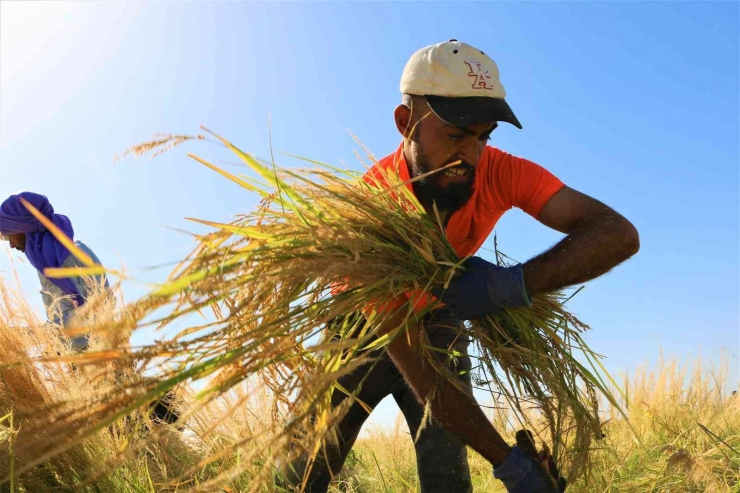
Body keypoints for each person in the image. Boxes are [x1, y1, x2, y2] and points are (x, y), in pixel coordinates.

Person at [284, 40, 640, 493]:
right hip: (359, 330)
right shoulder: (372, 212)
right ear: (406, 123)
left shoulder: (497, 171)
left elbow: (617, 233)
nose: (471, 155)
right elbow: (423, 372)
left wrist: (513, 285)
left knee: (447, 479)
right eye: (456, 135)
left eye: (483, 135)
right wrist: (511, 465)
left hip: (438, 317)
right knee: (303, 470)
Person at [0, 191, 110, 351]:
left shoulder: (66, 257)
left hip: (101, 362)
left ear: (25, 228)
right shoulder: (52, 258)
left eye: (10, 235)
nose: (11, 245)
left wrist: (16, 337)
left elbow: (81, 324)